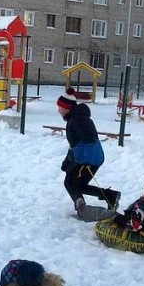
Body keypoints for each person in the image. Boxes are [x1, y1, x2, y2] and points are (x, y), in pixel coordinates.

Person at [57, 87, 120, 215]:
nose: (58, 110)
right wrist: (67, 161)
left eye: (60, 107)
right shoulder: (80, 117)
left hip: (85, 159)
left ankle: (81, 208)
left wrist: (70, 161)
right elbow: (75, 143)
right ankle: (110, 196)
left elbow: (83, 141)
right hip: (96, 158)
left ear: (67, 107)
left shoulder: (75, 120)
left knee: (69, 182)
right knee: (80, 185)